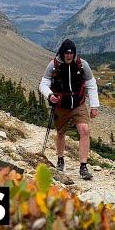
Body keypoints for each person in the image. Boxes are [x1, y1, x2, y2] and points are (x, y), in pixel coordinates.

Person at [39, 38, 100, 180]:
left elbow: (91, 84)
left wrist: (94, 106)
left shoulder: (82, 65)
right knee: (61, 132)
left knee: (84, 131)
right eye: (66, 53)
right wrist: (50, 95)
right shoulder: (53, 65)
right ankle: (60, 159)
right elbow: (43, 84)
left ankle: (83, 166)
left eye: (71, 53)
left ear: (74, 53)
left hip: (78, 104)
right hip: (61, 106)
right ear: (62, 52)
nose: (69, 55)